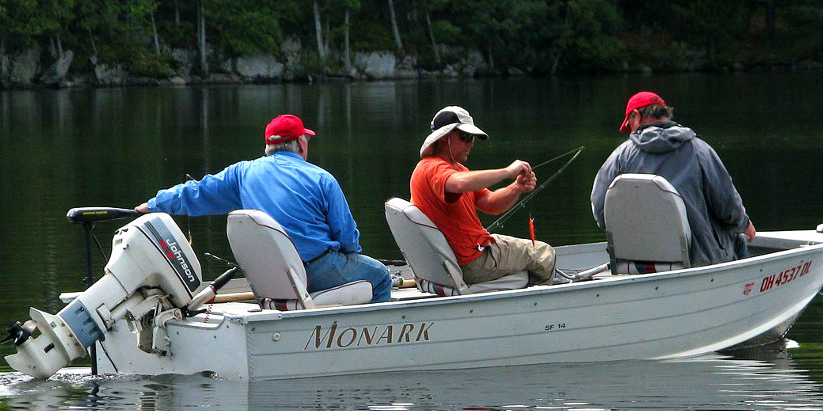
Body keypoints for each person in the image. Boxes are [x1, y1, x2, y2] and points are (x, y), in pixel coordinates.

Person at [135, 113, 392, 303]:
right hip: (315, 270)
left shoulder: (241, 173)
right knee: (380, 275)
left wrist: (154, 204)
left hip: (267, 276)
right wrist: (351, 258)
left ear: (267, 146)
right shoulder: (322, 178)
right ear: (301, 145)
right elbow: (347, 239)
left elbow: (196, 192)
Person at [591, 91, 756, 266]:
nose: (630, 131)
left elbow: (601, 211)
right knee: (737, 238)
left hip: (636, 264)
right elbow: (727, 205)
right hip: (700, 261)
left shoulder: (619, 157)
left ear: (636, 116)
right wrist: (743, 222)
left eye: (629, 125)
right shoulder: (699, 150)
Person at [409, 105, 556, 285]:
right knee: (544, 254)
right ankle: (538, 307)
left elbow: (490, 203)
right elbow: (459, 183)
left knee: (531, 253)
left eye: (472, 138)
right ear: (444, 138)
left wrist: (516, 187)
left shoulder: (457, 170)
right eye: (464, 137)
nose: (470, 143)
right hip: (471, 261)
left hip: (470, 255)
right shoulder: (432, 168)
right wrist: (507, 172)